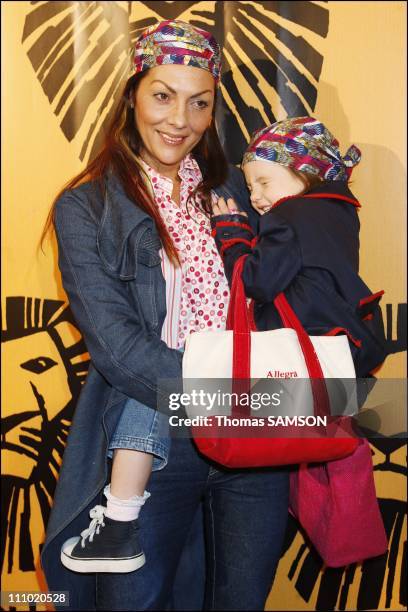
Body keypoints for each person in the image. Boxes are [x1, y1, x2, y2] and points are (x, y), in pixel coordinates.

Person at [40, 20, 289, 611]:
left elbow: (282, 297)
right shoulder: (87, 206)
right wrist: (227, 395)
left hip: (255, 436)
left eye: (198, 103)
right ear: (133, 95)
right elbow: (116, 345)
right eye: (162, 95)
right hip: (152, 437)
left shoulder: (239, 195)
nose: (180, 119)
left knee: (241, 601)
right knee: (136, 601)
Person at [211, 117, 388, 380]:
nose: (254, 197)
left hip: (299, 347)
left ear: (305, 172)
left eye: (264, 182)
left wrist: (233, 237)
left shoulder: (289, 215)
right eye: (249, 187)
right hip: (338, 344)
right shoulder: (342, 211)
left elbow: (257, 280)